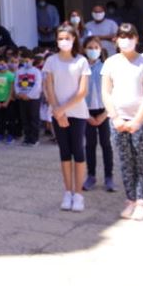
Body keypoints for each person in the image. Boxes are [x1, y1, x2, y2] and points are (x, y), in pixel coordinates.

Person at [102, 24, 143, 220]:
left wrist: (137, 120)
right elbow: (106, 92)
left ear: (136, 39)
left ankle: (142, 201)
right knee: (125, 161)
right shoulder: (110, 62)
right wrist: (115, 117)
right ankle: (130, 199)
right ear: (116, 39)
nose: (126, 40)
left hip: (142, 120)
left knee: (141, 160)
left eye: (130, 36)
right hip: (118, 120)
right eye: (122, 37)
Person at [43, 25, 91, 212]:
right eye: (60, 38)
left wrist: (62, 110)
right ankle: (68, 192)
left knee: (78, 151)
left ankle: (78, 194)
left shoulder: (81, 61)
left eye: (67, 38)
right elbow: (49, 87)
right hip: (57, 113)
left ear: (74, 40)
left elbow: (82, 92)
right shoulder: (51, 61)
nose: (64, 41)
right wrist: (57, 111)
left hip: (77, 113)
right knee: (64, 152)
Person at [82, 38, 114, 191]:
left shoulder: (106, 68)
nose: (93, 50)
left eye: (95, 47)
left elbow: (113, 92)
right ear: (84, 49)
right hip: (86, 112)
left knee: (106, 145)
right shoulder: (81, 68)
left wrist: (105, 114)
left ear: (100, 49)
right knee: (89, 145)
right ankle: (91, 176)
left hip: (104, 112)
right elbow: (78, 93)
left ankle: (109, 177)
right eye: (89, 47)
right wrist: (86, 115)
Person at [16, 48, 44, 146]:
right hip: (22, 98)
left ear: (32, 60)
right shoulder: (19, 71)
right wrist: (19, 93)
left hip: (33, 99)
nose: (25, 63)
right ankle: (27, 138)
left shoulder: (36, 71)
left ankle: (34, 139)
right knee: (25, 119)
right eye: (23, 61)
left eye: (27, 60)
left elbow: (38, 85)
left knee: (33, 119)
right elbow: (16, 84)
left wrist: (29, 95)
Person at [0, 54, 17, 144]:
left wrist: (7, 101)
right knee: (0, 119)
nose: (1, 66)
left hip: (8, 101)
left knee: (10, 119)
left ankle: (11, 135)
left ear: (6, 64)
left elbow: (11, 90)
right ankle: (0, 134)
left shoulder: (10, 75)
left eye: (3, 63)